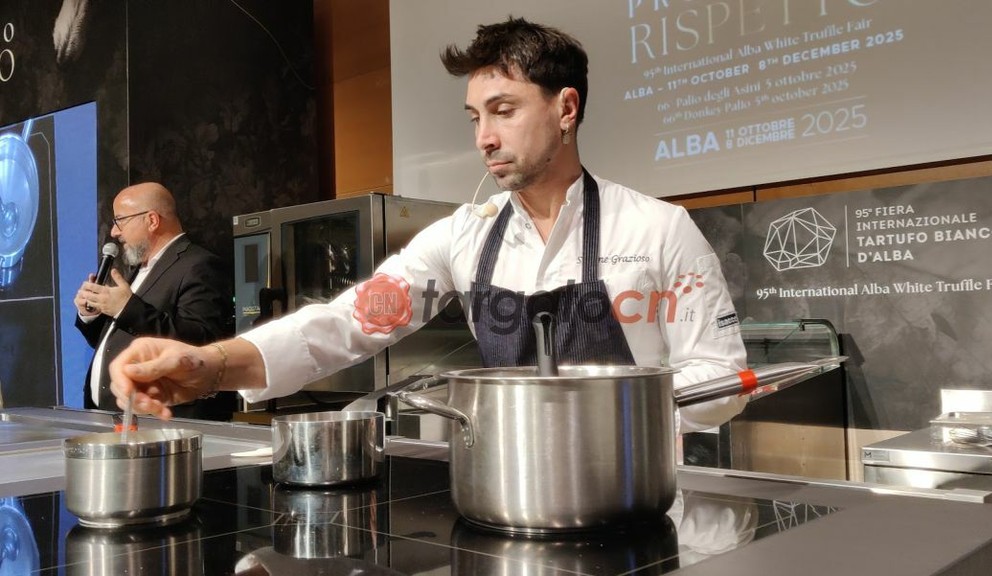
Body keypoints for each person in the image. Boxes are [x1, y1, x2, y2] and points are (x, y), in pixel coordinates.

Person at [107, 17, 748, 433]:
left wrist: (594, 415)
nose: (484, 138)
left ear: (566, 109)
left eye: (503, 111)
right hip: (511, 492)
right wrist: (212, 364)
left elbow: (721, 382)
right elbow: (347, 323)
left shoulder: (660, 230)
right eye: (475, 118)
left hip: (637, 493)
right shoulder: (463, 236)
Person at [74, 181, 235, 420]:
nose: (114, 232)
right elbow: (120, 338)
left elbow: (200, 341)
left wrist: (125, 308)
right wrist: (92, 315)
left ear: (152, 220)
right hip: (114, 416)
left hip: (163, 420)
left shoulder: (199, 265)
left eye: (120, 220)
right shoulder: (138, 269)